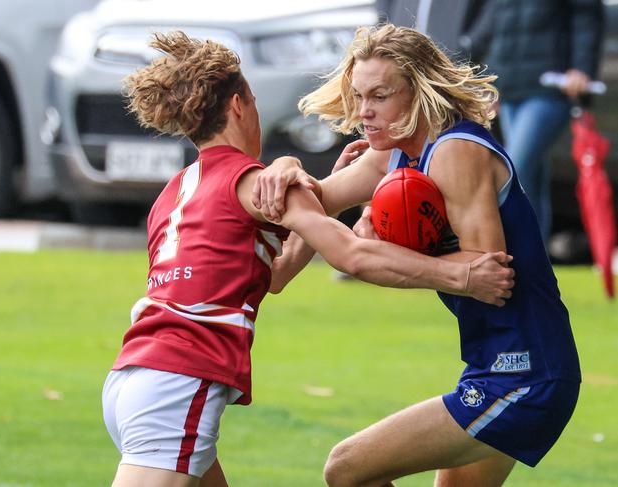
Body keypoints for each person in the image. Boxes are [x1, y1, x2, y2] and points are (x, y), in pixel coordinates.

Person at [101, 31, 514, 487]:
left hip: (129, 377)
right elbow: (352, 254)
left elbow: (272, 275)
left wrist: (315, 190)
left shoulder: (176, 190)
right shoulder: (255, 182)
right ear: (239, 105)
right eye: (254, 102)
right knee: (348, 469)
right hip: (178, 381)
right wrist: (463, 274)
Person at [254, 24, 581, 486]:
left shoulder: (455, 152)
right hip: (493, 367)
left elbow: (489, 276)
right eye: (359, 95)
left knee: (348, 469)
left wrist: (377, 248)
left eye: (380, 96)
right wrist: (285, 168)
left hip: (524, 373)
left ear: (419, 92)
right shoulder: (393, 157)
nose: (364, 112)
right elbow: (315, 202)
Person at [463, 0, 605, 242]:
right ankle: (537, 266)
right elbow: (488, 31)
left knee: (512, 169)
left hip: (550, 88)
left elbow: (587, 17)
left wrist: (582, 68)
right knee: (530, 183)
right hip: (509, 92)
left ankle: (506, 251)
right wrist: (480, 82)